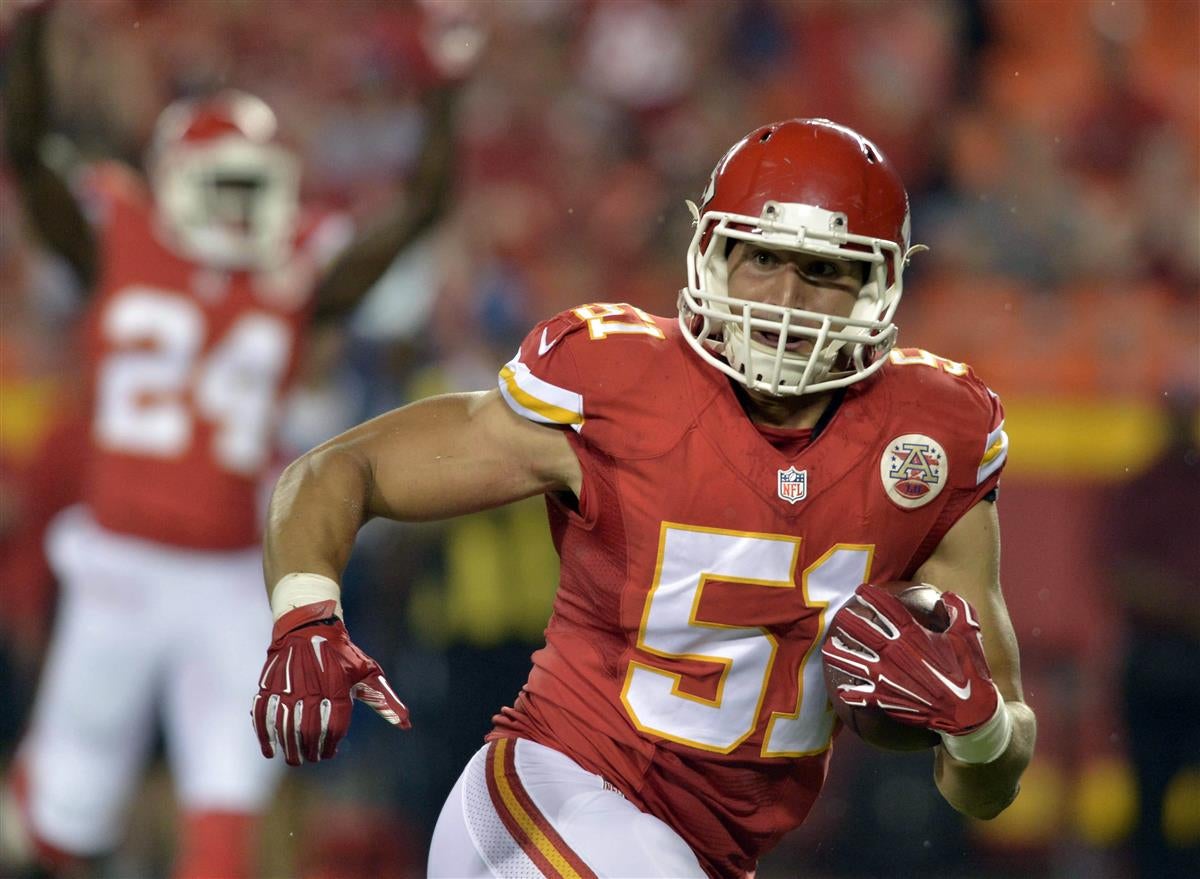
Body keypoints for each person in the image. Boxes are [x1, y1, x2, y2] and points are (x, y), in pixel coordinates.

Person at [251, 118, 1037, 878]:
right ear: (712, 256)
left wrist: (978, 731)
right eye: (759, 257)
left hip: (703, 855)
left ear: (879, 285)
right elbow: (333, 471)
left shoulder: (933, 440)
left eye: (824, 270)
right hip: (551, 799)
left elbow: (990, 785)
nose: (786, 295)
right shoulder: (621, 383)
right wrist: (306, 610)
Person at [0, 4, 469, 877]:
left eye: (254, 188)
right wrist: (29, 30)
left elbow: (418, 213)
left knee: (225, 821)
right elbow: (25, 153)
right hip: (119, 568)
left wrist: (444, 87)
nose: (242, 210)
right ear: (177, 179)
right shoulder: (119, 236)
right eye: (225, 186)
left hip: (228, 577)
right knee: (60, 823)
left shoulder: (289, 275)